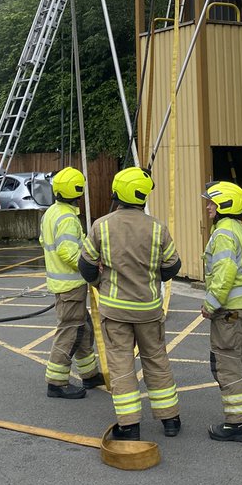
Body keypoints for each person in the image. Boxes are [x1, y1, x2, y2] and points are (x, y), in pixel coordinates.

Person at [78, 166, 182, 440]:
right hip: (148, 309)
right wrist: (149, 276)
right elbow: (172, 267)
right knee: (157, 360)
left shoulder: (101, 226)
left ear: (117, 192)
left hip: (115, 311)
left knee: (122, 365)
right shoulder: (158, 228)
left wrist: (101, 283)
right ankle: (170, 420)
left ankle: (130, 426)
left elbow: (86, 266)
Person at [200, 181, 242, 442]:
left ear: (224, 204)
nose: (208, 207)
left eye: (212, 203)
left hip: (229, 311)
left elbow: (225, 273)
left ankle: (236, 424)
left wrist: (210, 303)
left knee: (227, 363)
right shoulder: (241, 230)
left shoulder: (224, 233)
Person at [40, 167, 105, 398]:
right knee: (70, 332)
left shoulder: (52, 213)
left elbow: (44, 242)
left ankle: (89, 375)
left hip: (65, 287)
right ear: (77, 190)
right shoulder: (67, 218)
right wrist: (91, 264)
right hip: (70, 287)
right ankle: (56, 383)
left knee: (83, 329)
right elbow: (68, 253)